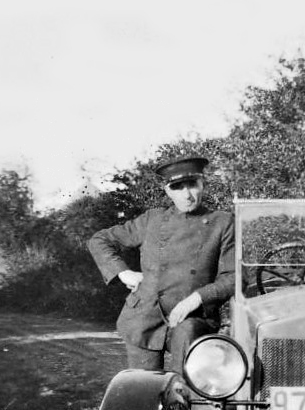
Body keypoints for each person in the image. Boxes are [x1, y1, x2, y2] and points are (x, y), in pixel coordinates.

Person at [88, 155, 235, 374]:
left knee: (188, 384)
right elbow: (99, 240)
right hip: (144, 317)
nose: (187, 194)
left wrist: (196, 298)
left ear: (203, 184)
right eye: (177, 187)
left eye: (192, 185)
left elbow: (232, 277)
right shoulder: (152, 220)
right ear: (167, 191)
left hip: (193, 319)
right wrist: (123, 273)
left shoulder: (222, 222)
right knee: (143, 386)